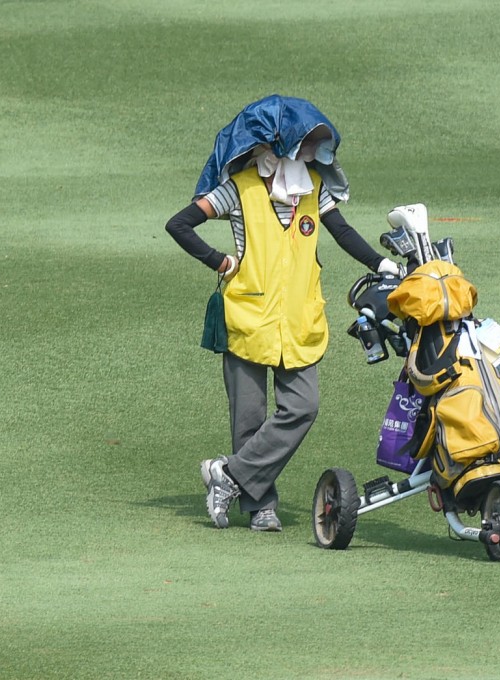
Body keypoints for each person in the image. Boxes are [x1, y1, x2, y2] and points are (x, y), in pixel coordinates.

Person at [164, 96, 400, 532]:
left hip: (299, 320)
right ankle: (260, 506)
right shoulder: (237, 188)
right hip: (248, 318)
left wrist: (379, 264)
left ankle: (227, 476)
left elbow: (342, 231)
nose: (314, 153)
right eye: (307, 143)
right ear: (282, 144)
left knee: (303, 407)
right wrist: (220, 261)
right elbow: (179, 224)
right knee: (249, 419)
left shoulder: (313, 186)